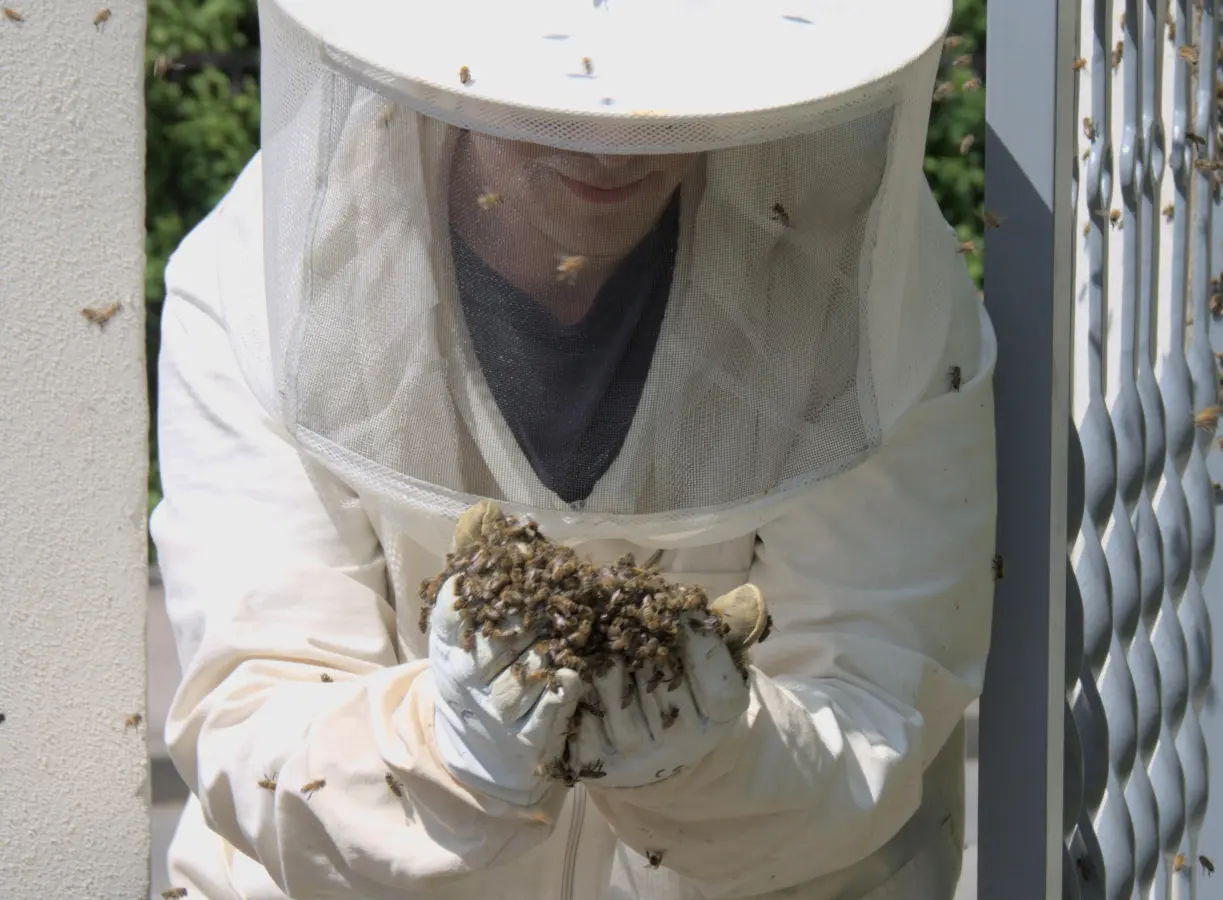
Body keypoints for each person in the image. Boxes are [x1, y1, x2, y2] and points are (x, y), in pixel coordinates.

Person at [151, 0, 997, 896]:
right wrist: (442, 747)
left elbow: (874, 692)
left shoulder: (864, 267)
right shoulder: (267, 274)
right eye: (554, 99)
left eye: (661, 82)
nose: (612, 149)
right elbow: (262, 706)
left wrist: (711, 760)